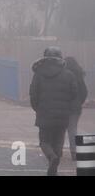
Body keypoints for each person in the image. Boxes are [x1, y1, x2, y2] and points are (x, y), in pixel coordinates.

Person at [29, 47, 78, 176]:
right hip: (63, 115)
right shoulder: (68, 74)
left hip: (44, 114)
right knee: (58, 141)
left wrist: (38, 108)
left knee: (44, 142)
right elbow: (74, 94)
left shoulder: (38, 74)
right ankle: (54, 168)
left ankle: (52, 157)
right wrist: (67, 108)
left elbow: (33, 94)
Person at [64, 57, 88, 161]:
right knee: (72, 129)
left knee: (60, 129)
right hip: (76, 107)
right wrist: (79, 102)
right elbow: (84, 91)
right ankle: (74, 152)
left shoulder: (63, 75)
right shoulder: (79, 75)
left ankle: (57, 150)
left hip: (64, 106)